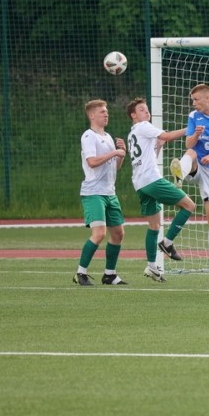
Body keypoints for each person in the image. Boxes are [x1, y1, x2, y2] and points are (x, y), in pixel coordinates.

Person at [169, 83, 209, 287]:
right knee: (191, 152)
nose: (194, 104)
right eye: (193, 100)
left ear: (207, 98)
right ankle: (180, 175)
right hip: (195, 164)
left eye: (196, 100)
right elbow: (188, 144)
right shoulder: (193, 116)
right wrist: (196, 134)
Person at [126, 98, 197, 284]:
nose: (146, 112)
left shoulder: (132, 134)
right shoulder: (143, 126)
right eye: (141, 110)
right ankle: (167, 243)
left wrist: (158, 145)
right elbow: (167, 136)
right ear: (134, 115)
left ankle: (151, 266)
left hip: (140, 184)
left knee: (154, 226)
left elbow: (153, 152)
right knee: (189, 205)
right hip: (152, 180)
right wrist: (190, 129)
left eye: (146, 109)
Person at [75, 99, 128, 286]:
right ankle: (80, 273)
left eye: (106, 111)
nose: (106, 114)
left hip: (109, 193)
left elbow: (115, 166)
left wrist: (121, 152)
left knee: (118, 234)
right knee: (99, 233)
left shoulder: (108, 136)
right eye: (102, 112)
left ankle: (109, 275)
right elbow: (92, 162)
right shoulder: (89, 136)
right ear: (92, 115)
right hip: (93, 192)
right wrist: (114, 153)